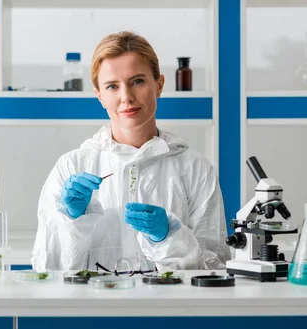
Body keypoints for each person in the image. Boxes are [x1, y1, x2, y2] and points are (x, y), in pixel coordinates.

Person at [31, 31, 230, 272]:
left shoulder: (194, 168)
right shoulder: (71, 166)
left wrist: (168, 237)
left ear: (159, 85)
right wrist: (72, 219)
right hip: (92, 307)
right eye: (112, 86)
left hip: (167, 308)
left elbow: (214, 269)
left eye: (137, 81)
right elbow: (47, 270)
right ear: (99, 96)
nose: (126, 97)